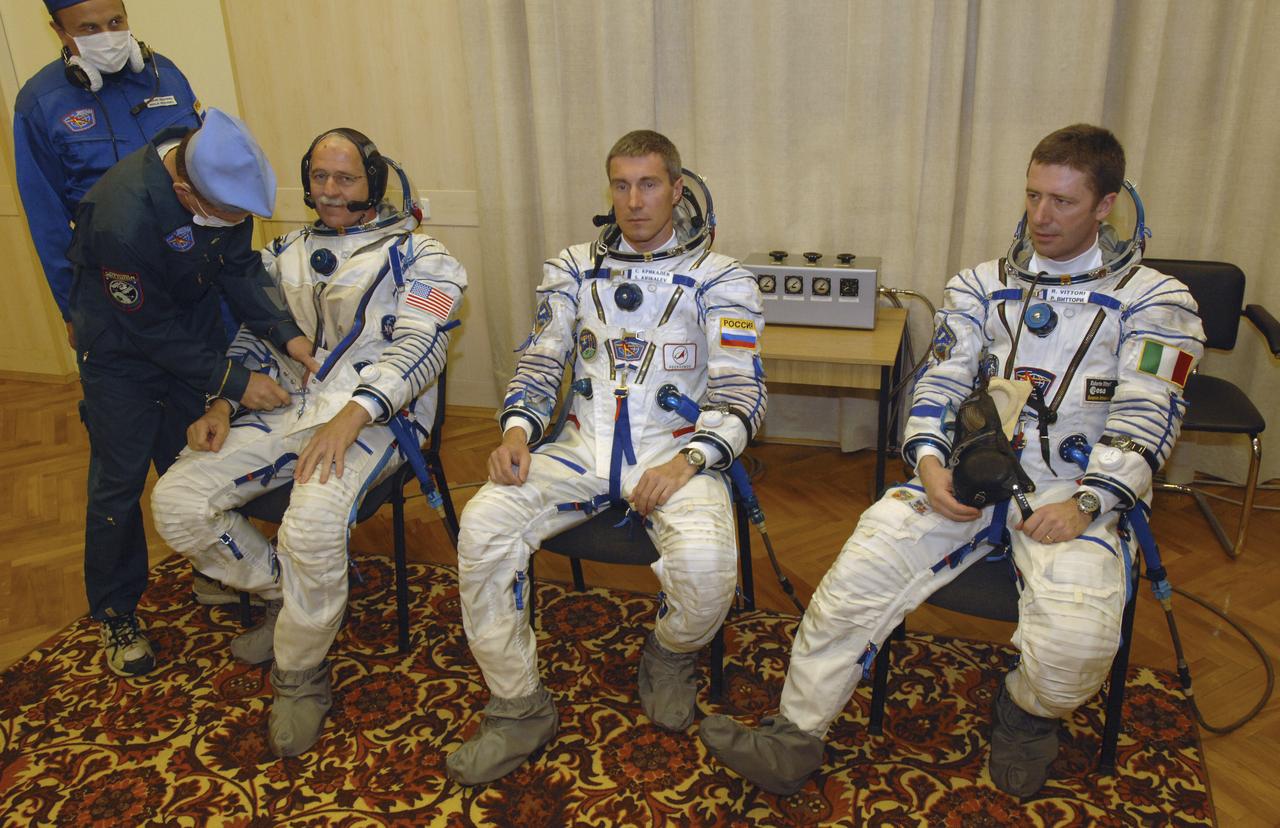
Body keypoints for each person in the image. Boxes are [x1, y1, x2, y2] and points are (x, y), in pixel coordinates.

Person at [699, 124, 1206, 798]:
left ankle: (1027, 713)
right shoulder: (979, 286)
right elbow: (938, 384)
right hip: (967, 475)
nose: (1041, 216)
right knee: (855, 577)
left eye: (1062, 201)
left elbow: (1149, 415)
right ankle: (794, 734)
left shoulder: (1159, 302)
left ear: (1107, 204)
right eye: (1032, 196)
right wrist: (929, 462)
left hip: (1072, 494)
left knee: (1076, 651)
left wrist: (1089, 502)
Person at [446, 129, 767, 785]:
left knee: (709, 570)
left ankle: (670, 652)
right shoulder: (571, 268)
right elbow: (539, 362)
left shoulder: (723, 279)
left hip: (674, 456)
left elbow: (743, 393)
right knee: (481, 525)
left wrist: (692, 460)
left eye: (649, 184)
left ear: (677, 190)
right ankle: (517, 706)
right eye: (620, 185)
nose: (634, 200)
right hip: (579, 449)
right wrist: (514, 432)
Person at [150, 129, 467, 757]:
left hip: (378, 416)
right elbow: (253, 336)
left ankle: (299, 672)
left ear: (373, 183)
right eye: (318, 177)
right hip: (285, 407)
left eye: (344, 179)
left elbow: (421, 347)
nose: (329, 191)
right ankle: (288, 595)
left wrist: (354, 413)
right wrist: (223, 400)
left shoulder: (422, 258)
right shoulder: (280, 254)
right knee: (177, 501)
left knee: (311, 527)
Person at [67, 108, 312, 678]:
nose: (236, 221)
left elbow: (240, 269)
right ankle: (116, 611)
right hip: (121, 356)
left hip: (193, 340)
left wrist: (288, 334)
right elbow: (146, 328)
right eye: (227, 216)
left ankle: (211, 569)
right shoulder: (117, 215)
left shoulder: (224, 183)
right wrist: (234, 383)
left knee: (192, 461)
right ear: (184, 191)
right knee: (119, 482)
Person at [14, 0, 201, 338]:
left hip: (196, 278)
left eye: (116, 22)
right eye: (89, 29)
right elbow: (47, 219)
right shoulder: (40, 102)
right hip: (116, 292)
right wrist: (73, 309)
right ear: (59, 31)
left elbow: (206, 169)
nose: (108, 36)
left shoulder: (166, 76)